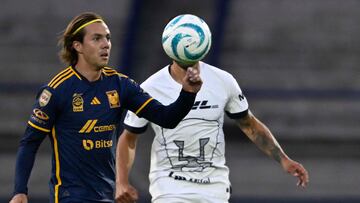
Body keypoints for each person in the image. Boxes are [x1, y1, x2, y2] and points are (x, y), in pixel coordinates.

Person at [9, 12, 202, 203]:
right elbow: (30, 142)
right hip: (70, 196)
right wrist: (20, 191)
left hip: (107, 196)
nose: (106, 44)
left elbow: (167, 118)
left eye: (108, 38)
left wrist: (187, 92)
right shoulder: (57, 90)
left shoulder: (120, 85)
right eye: (97, 38)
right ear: (78, 46)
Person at [115, 21, 309, 203]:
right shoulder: (150, 88)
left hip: (214, 189)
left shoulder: (223, 81)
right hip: (169, 188)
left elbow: (249, 124)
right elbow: (129, 138)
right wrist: (121, 182)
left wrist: (283, 159)